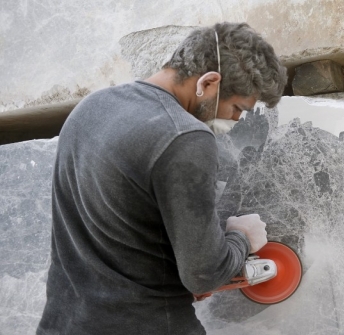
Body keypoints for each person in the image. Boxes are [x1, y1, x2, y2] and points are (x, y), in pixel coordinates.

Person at [37, 22, 288, 335]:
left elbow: (119, 226)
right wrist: (240, 238)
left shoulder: (89, 108)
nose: (236, 120)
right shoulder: (185, 136)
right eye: (237, 107)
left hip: (64, 325)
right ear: (209, 83)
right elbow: (204, 273)